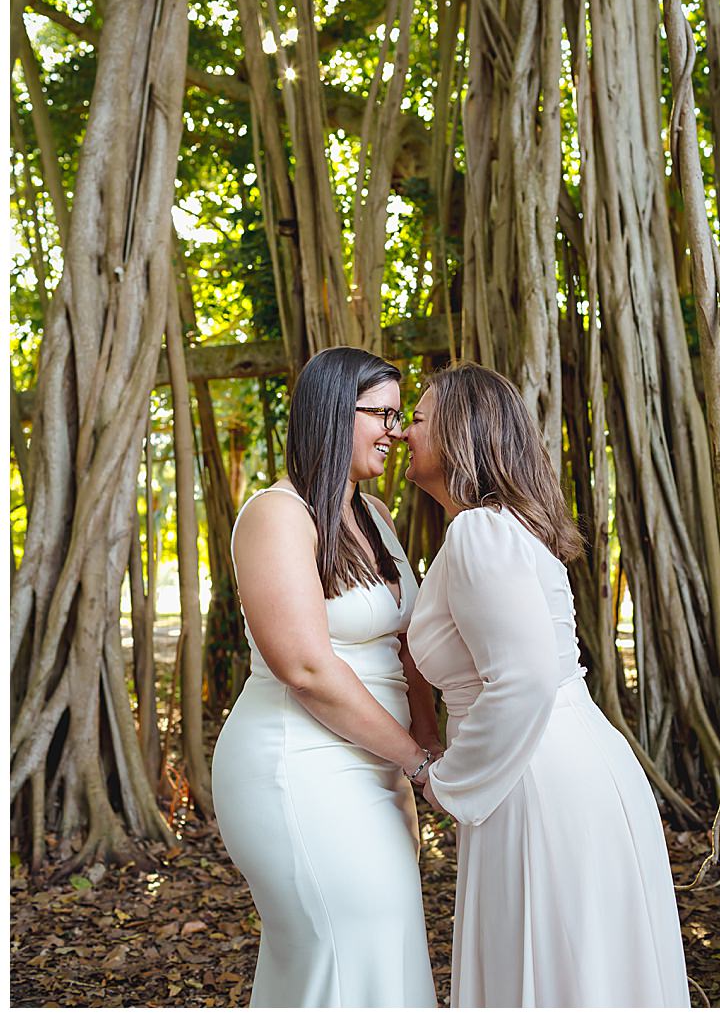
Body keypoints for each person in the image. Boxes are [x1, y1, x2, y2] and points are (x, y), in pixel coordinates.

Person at [404, 361, 691, 1008]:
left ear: (458, 433)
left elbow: (523, 680)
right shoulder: (506, 528)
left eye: (417, 421)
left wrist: (447, 782)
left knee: (548, 964)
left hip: (533, 774)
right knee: (578, 965)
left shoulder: (480, 529)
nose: (402, 434)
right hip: (562, 758)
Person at [212, 347, 439, 1008]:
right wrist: (416, 761)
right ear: (337, 412)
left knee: (384, 948)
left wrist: (424, 746)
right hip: (298, 764)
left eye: (401, 416)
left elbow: (404, 643)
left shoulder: (376, 517)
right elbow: (306, 668)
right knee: (344, 948)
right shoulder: (275, 516)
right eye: (384, 415)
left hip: (379, 764)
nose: (397, 432)